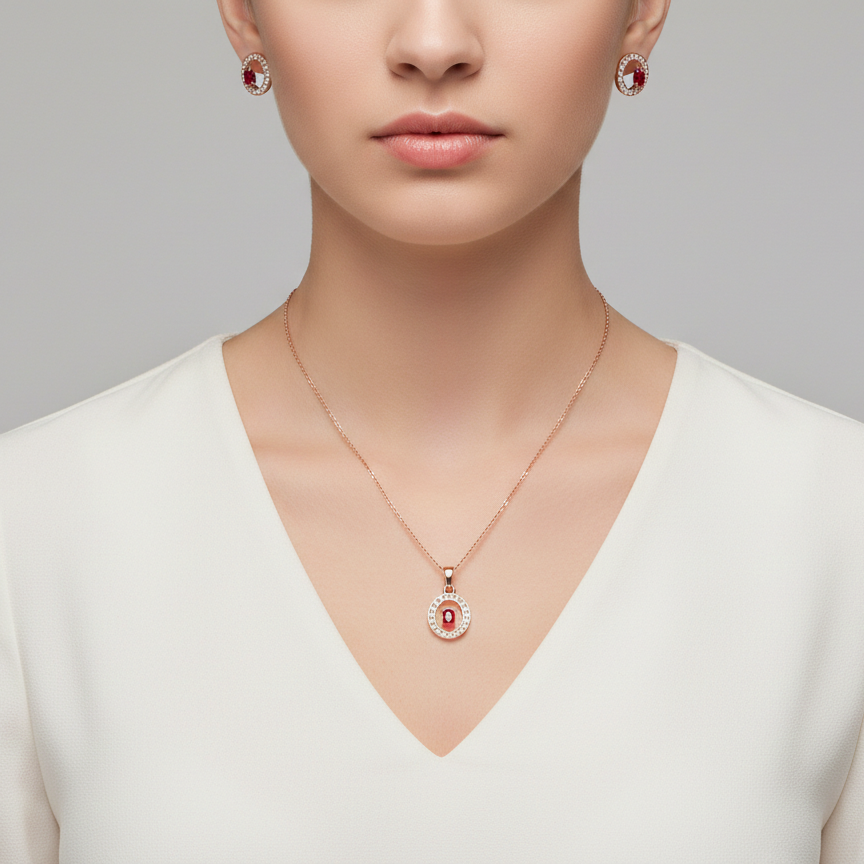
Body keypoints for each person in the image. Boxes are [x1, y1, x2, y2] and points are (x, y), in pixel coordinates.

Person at [1, 0, 863, 860]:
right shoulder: (36, 528)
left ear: (641, 13)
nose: (434, 44)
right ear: (243, 14)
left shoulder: (834, 528)